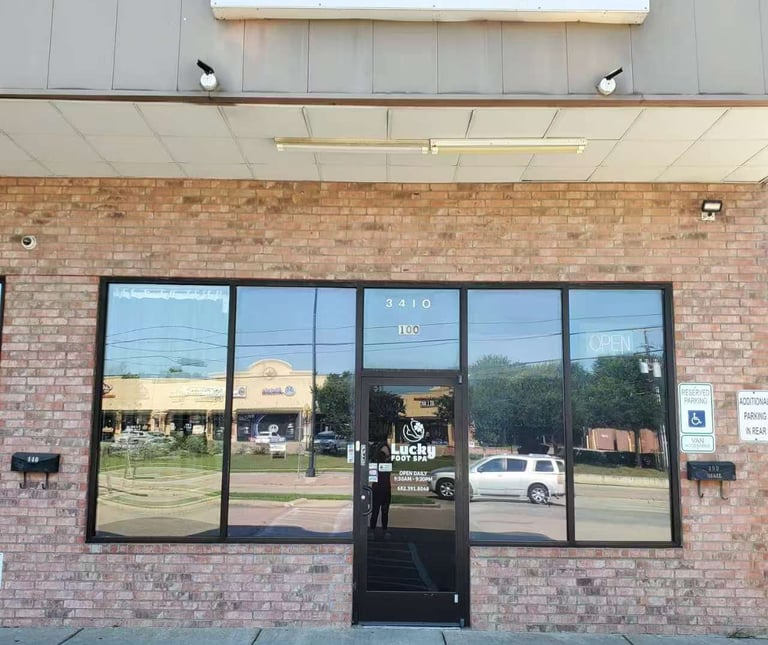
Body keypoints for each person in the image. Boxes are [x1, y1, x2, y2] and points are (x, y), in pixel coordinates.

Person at [369, 441, 392, 538]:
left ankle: (384, 530)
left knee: (385, 512)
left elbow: (391, 461)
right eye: (383, 453)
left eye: (387, 453)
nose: (385, 455)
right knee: (375, 511)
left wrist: (388, 457)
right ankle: (372, 530)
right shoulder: (376, 462)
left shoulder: (389, 462)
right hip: (377, 489)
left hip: (386, 489)